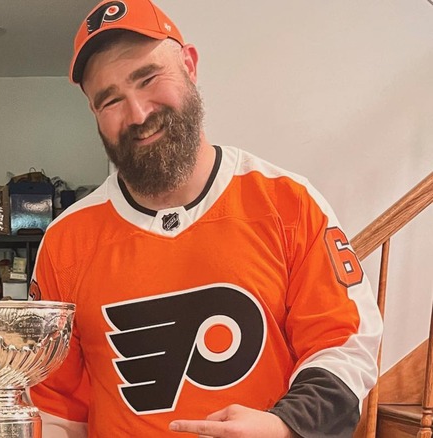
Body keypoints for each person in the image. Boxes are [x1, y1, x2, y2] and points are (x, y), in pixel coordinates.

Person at [27, 0, 383, 437]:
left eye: (148, 78)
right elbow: (54, 406)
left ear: (190, 66)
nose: (137, 114)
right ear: (95, 114)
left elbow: (345, 344)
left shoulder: (288, 202)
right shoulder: (66, 241)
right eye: (111, 100)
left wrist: (284, 426)